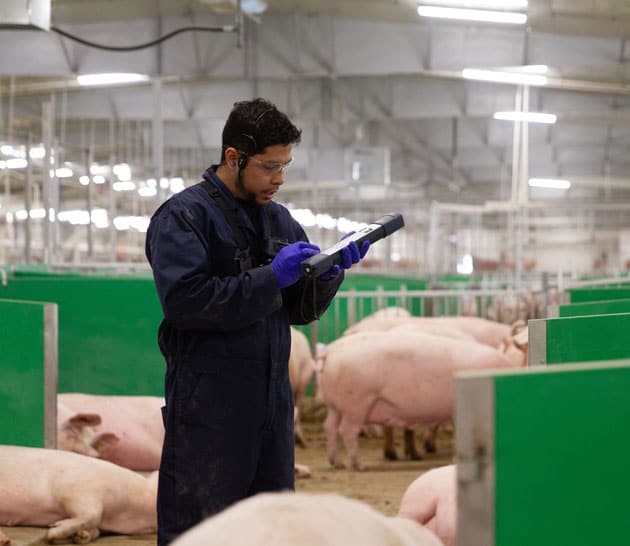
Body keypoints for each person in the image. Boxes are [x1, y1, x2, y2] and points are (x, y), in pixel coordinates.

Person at [145, 97, 369, 545]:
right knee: (202, 530)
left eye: (285, 165)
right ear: (234, 157)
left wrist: (331, 271)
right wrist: (272, 277)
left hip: (271, 406)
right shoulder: (185, 217)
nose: (279, 179)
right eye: (269, 166)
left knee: (272, 530)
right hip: (209, 409)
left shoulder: (279, 220)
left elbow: (300, 311)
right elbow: (188, 302)